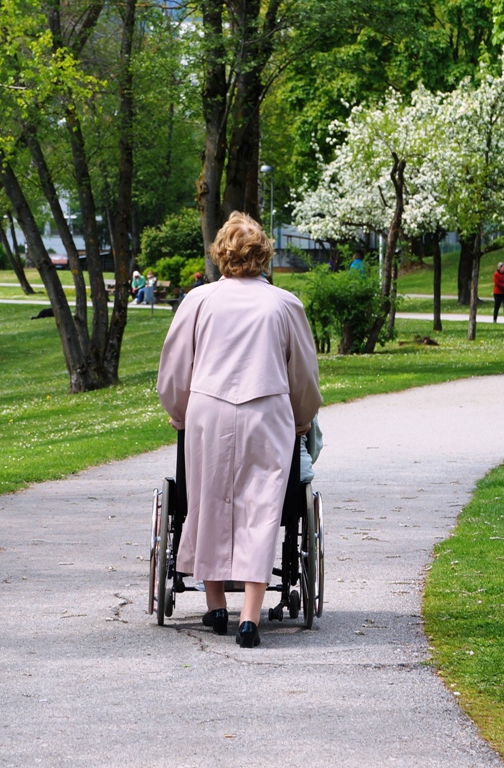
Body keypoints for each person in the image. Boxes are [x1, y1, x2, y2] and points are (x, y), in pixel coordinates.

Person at [157, 212, 322, 649]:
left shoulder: (198, 301)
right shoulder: (284, 304)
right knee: (261, 505)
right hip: (265, 410)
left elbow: (175, 370)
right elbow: (303, 376)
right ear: (264, 255)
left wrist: (179, 413)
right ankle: (249, 615)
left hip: (208, 409)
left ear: (221, 254)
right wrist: (303, 419)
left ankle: (214, 603)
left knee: (207, 498)